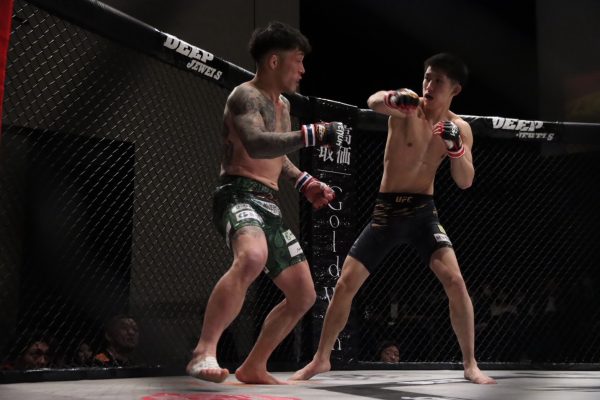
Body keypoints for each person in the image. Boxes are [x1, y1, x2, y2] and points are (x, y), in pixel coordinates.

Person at [291, 53, 496, 384]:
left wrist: (456, 148)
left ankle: (470, 364)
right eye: (427, 77)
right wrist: (391, 98)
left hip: (423, 213)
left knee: (456, 282)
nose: (429, 85)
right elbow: (373, 102)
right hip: (387, 210)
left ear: (454, 89)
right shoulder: (408, 107)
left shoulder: (459, 128)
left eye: (438, 81)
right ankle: (321, 359)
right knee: (345, 284)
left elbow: (465, 180)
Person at [185, 21, 344, 385]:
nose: (302, 70)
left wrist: (304, 181)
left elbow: (277, 153)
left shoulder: (283, 105)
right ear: (274, 61)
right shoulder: (245, 96)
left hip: (269, 203)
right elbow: (256, 144)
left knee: (303, 295)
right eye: (298, 60)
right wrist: (313, 134)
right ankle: (203, 351)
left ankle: (254, 366)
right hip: (237, 193)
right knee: (252, 257)